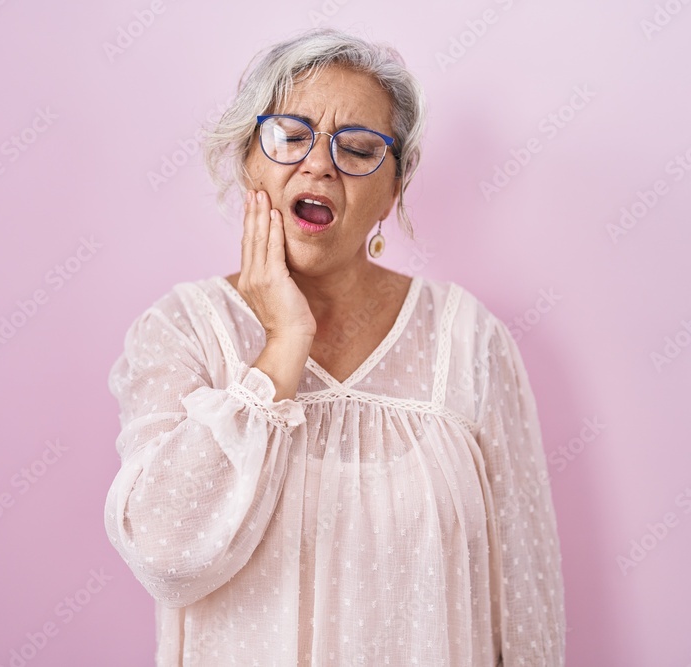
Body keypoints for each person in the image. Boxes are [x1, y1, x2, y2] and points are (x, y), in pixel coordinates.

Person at [104, 27, 566, 666]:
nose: (319, 164)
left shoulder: (470, 340)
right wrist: (283, 344)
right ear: (247, 159)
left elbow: (524, 591)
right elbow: (165, 554)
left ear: (393, 189)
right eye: (291, 136)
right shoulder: (181, 330)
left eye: (358, 148)